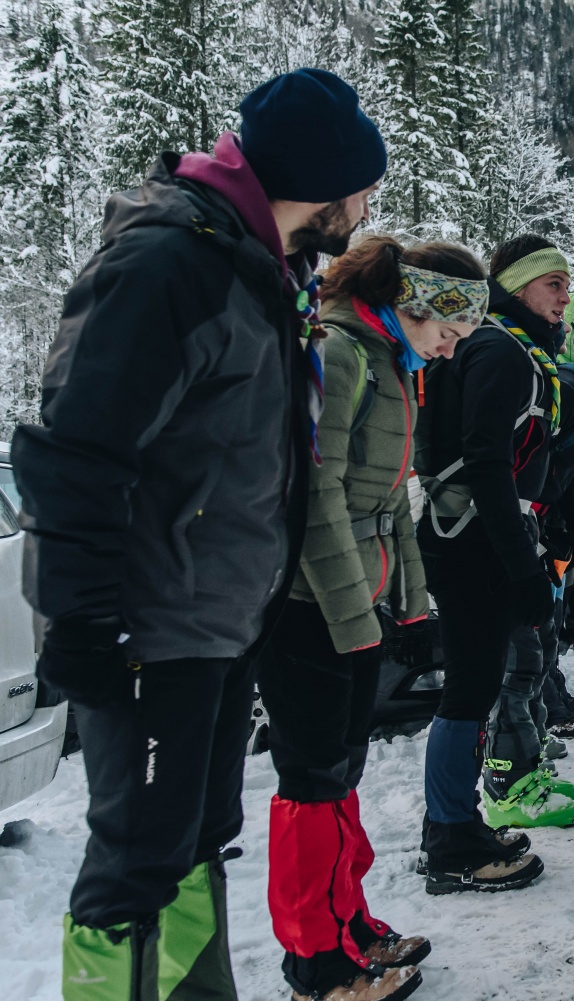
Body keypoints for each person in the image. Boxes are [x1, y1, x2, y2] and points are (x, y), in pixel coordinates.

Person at [10, 68, 385, 1000]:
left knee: (194, 838)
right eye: (365, 186)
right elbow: (76, 451)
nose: (371, 205)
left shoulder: (260, 268)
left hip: (218, 623)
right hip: (150, 627)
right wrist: (86, 625)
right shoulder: (171, 264)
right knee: (135, 858)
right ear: (326, 181)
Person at [258, 236, 490, 998]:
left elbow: (393, 502)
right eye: (449, 333)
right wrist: (353, 616)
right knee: (311, 780)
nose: (451, 351)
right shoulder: (342, 353)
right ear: (417, 302)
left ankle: (347, 922)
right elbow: (314, 495)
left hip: (359, 599)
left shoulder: (394, 364)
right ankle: (314, 959)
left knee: (342, 772)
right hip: (308, 606)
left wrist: (411, 609)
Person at [414, 234, 574, 889]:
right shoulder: (501, 351)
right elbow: (486, 460)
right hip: (470, 538)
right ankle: (450, 836)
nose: (565, 297)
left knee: (478, 682)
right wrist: (522, 565)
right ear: (514, 286)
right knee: (471, 684)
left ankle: (456, 824)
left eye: (568, 285)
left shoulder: (508, 348)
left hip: (479, 534)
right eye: (553, 284)